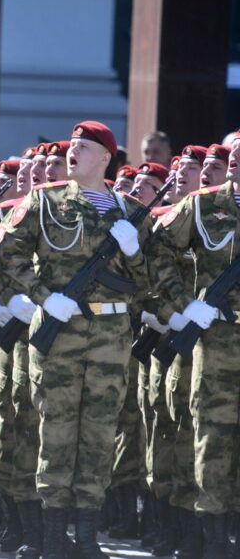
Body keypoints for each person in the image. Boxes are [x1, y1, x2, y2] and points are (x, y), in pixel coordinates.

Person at [0, 121, 152, 558]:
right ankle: (52, 538)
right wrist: (44, 296)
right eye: (73, 146)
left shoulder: (129, 212)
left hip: (110, 336)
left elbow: (147, 283)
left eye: (84, 147)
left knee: (99, 435)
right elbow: (8, 252)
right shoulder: (44, 201)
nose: (73, 152)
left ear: (105, 158)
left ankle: (86, 537)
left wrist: (133, 250)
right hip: (60, 332)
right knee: (57, 431)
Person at [148, 130, 240, 557]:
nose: (234, 159)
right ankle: (213, 540)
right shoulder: (203, 205)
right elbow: (157, 249)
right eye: (232, 153)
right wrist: (184, 305)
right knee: (212, 440)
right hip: (216, 340)